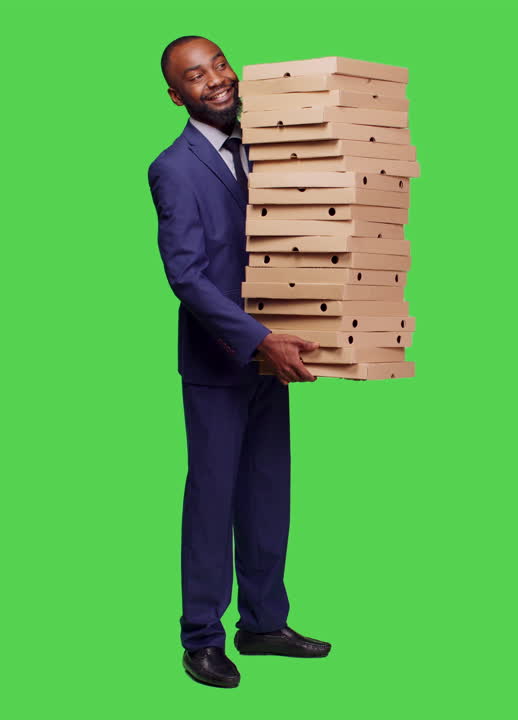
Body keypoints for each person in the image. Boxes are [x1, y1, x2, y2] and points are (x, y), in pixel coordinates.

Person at [149, 35, 331, 689]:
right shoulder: (174, 167)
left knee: (265, 495)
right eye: (196, 77)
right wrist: (259, 340)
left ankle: (262, 623)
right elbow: (188, 277)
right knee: (212, 499)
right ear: (177, 96)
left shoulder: (268, 146)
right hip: (223, 357)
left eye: (220, 64)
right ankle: (201, 637)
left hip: (273, 355)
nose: (217, 80)